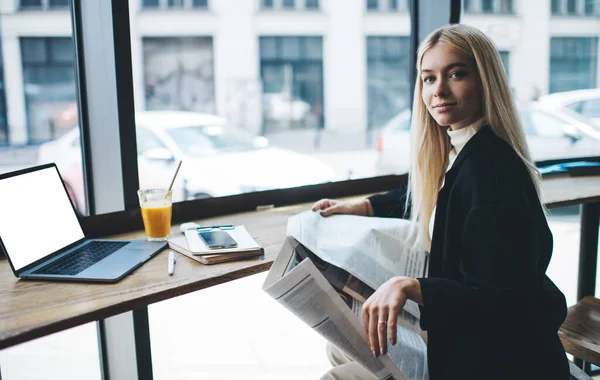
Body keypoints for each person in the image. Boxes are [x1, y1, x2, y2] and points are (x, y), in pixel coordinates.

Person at [313, 24, 569, 379]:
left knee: (336, 374)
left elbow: (501, 301)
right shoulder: (464, 150)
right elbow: (429, 190)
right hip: (475, 336)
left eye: (456, 74)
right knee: (340, 345)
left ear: (485, 81)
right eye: (428, 79)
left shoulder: (491, 172)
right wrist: (363, 206)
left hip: (500, 359)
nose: (439, 91)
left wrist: (410, 286)